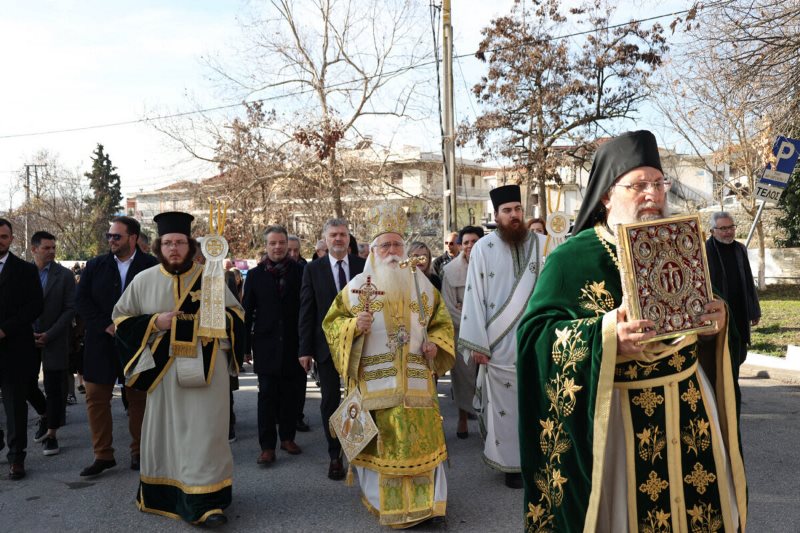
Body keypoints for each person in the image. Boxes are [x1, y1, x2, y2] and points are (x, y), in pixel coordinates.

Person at [516, 130, 747, 531]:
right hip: (621, 419)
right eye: (639, 185)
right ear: (607, 194)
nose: (652, 194)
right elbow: (536, 336)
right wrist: (607, 337)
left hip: (691, 407)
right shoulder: (571, 259)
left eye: (658, 183)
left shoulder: (682, 242)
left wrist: (718, 320)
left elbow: (708, 307)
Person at [323, 204, 455, 528]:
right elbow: (332, 325)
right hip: (375, 388)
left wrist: (435, 345)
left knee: (421, 448)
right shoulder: (356, 288)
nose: (392, 251)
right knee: (384, 450)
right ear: (373, 250)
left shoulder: (423, 287)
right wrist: (354, 327)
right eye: (385, 245)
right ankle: (391, 508)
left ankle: (427, 507)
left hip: (417, 386)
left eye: (397, 244)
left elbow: (441, 324)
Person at [113, 211, 244, 528]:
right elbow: (120, 321)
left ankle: (207, 502)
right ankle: (166, 495)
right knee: (167, 434)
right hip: (164, 375)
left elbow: (238, 317)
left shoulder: (210, 279)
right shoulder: (144, 280)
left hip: (207, 372)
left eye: (180, 242)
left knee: (206, 435)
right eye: (168, 243)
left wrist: (215, 321)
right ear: (159, 246)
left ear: (191, 245)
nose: (174, 248)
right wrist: (155, 322)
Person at [457, 185, 545, 489]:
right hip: (498, 344)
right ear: (496, 215)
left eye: (518, 209)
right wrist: (477, 343)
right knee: (504, 408)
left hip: (536, 340)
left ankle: (539, 459)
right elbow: (474, 296)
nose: (514, 215)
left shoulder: (543, 245)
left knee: (537, 402)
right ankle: (512, 465)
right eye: (507, 210)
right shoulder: (483, 248)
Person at [75, 216, 157, 476]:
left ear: (133, 238)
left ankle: (139, 451)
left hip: (136, 343)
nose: (111, 240)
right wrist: (105, 324)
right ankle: (103, 455)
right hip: (100, 342)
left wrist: (133, 326)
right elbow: (81, 300)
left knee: (138, 398)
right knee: (96, 398)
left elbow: (157, 301)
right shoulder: (95, 265)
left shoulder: (151, 266)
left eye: (117, 236)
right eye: (109, 236)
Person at [298, 218, 366, 480]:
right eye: (333, 235)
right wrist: (305, 350)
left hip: (360, 345)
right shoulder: (313, 269)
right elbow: (307, 310)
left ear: (349, 238)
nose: (338, 239)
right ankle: (334, 454)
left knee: (360, 398)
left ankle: (360, 449)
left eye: (342, 234)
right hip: (326, 347)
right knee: (330, 401)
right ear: (325, 239)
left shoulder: (363, 266)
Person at [243, 225, 306, 466]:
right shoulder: (255, 275)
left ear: (287, 245)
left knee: (291, 395)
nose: (277, 247)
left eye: (281, 242)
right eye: (273, 243)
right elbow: (247, 312)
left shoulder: (301, 272)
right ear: (266, 246)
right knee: (267, 396)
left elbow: (307, 310)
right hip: (265, 345)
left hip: (294, 345)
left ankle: (288, 438)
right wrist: (245, 348)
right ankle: (267, 447)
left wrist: (307, 346)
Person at [0, 218, 44, 480]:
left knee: (16, 405)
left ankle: (17, 458)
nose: (0, 241)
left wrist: (5, 329)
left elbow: (35, 306)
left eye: (4, 237)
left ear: (12, 239)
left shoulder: (25, 270)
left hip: (14, 347)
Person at [30, 231, 76, 456]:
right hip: (26, 338)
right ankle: (45, 414)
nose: (51, 252)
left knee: (54, 388)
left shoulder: (64, 275)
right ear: (34, 249)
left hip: (55, 338)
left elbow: (70, 309)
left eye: (53, 248)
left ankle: (51, 435)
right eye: (46, 248)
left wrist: (50, 334)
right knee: (25, 384)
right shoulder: (23, 273)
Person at [441, 225, 484, 439]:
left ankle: (488, 421)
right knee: (463, 376)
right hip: (462, 332)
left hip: (490, 331)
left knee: (487, 379)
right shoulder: (450, 271)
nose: (470, 246)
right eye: (466, 242)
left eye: (474, 241)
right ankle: (463, 417)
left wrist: (468, 309)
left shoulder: (493, 265)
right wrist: (472, 322)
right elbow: (449, 307)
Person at [706, 212, 760, 366]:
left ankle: (734, 380)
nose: (728, 231)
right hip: (717, 311)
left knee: (740, 354)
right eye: (723, 228)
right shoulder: (704, 250)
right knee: (719, 356)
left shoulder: (740, 249)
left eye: (731, 227)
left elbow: (748, 280)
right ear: (712, 231)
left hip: (739, 310)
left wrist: (754, 310)